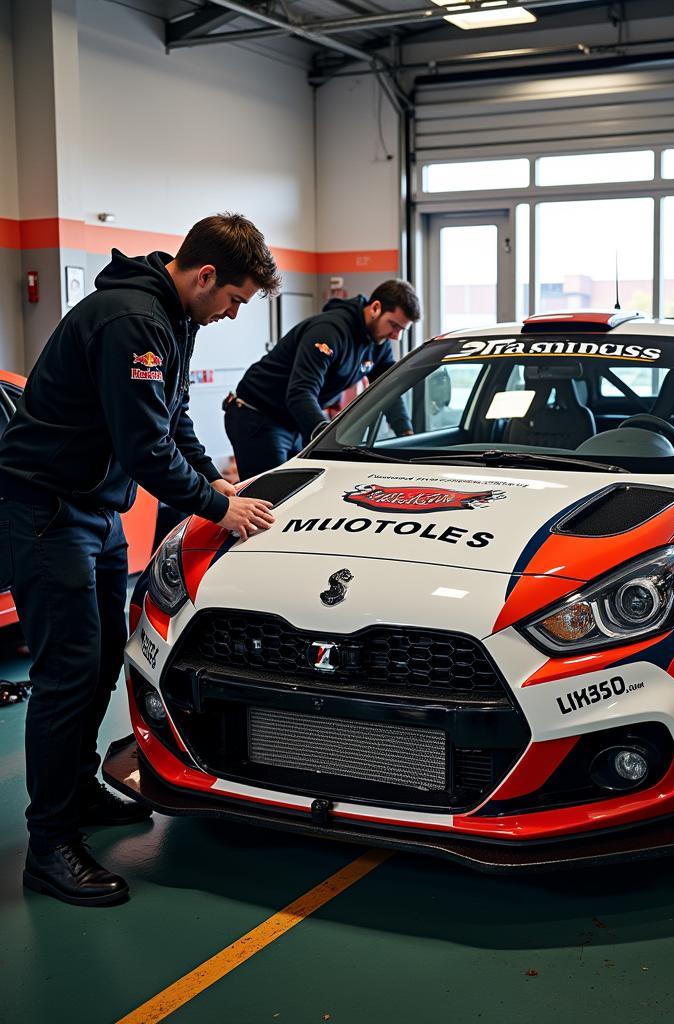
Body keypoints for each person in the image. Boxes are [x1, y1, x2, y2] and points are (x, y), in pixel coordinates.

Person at [0, 213, 280, 907]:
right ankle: (49, 847)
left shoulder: (170, 318)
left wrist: (214, 478)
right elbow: (142, 448)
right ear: (206, 275)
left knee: (98, 663)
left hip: (94, 509)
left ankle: (79, 797)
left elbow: (172, 418)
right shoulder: (131, 319)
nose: (232, 313)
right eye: (234, 300)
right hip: (47, 514)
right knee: (65, 675)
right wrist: (218, 511)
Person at [224, 280, 421, 479]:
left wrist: (406, 434)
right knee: (270, 499)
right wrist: (329, 438)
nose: (396, 336)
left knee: (299, 493)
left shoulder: (379, 344)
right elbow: (301, 392)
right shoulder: (329, 331)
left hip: (293, 421)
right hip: (258, 415)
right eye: (394, 325)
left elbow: (387, 392)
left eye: (402, 330)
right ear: (376, 308)